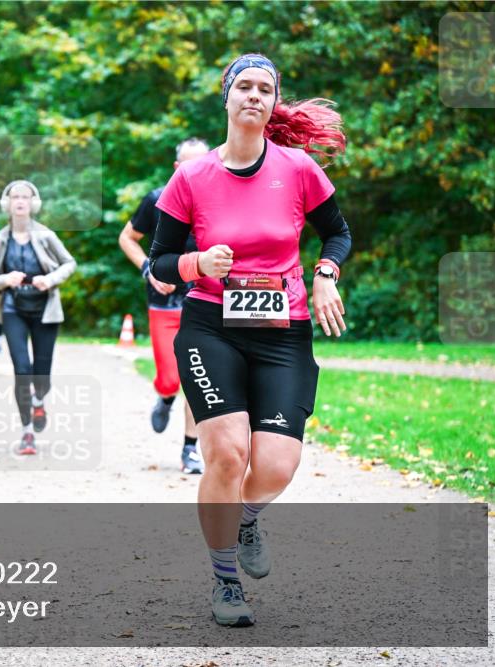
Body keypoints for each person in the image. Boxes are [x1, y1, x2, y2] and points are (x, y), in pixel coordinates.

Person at [149, 53, 351, 627]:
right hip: (210, 325)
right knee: (228, 451)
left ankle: (245, 518)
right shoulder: (191, 177)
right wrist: (196, 263)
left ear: (273, 101)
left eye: (265, 88)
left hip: (282, 331)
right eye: (244, 86)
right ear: (227, 97)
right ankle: (226, 581)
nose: (254, 95)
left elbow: (337, 233)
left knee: (277, 465)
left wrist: (325, 274)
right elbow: (159, 262)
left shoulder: (298, 169)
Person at [118, 138, 209, 474]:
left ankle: (190, 449)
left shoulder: (220, 200)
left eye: (202, 163)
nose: (196, 170)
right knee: (171, 379)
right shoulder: (157, 199)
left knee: (197, 377)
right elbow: (127, 238)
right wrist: (148, 269)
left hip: (205, 302)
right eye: (189, 164)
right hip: (165, 303)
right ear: (176, 167)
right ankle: (165, 396)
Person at [0, 180, 76, 455]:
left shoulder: (46, 235)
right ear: (7, 203)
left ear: (33, 203)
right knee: (22, 370)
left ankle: (39, 401)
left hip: (46, 309)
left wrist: (50, 279)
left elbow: (69, 263)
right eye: (15, 197)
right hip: (13, 308)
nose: (20, 201)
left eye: (25, 197)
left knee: (42, 374)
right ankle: (27, 433)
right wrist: (5, 279)